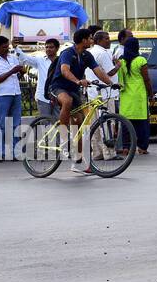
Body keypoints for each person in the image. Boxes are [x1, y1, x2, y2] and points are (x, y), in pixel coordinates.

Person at [49, 27, 116, 173]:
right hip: (58, 87)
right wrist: (78, 81)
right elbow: (65, 71)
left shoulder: (86, 55)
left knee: (79, 126)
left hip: (74, 90)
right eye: (90, 38)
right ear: (84, 40)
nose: (92, 40)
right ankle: (63, 138)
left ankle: (77, 162)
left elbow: (98, 71)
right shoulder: (68, 53)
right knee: (66, 102)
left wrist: (112, 84)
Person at [0, 36, 28, 161]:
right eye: (4, 47)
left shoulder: (12, 58)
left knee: (16, 124)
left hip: (15, 93)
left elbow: (17, 75)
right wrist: (12, 71)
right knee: (1, 124)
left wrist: (21, 71)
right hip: (2, 95)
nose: (7, 49)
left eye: (7, 46)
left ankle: (16, 152)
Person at [115, 36, 153, 155]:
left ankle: (126, 147)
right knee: (142, 123)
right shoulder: (141, 60)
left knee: (126, 122)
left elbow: (119, 79)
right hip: (139, 95)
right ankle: (142, 147)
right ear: (137, 47)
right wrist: (151, 94)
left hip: (126, 95)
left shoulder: (121, 61)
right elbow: (146, 80)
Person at [86, 30, 120, 161]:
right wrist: (118, 65)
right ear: (99, 40)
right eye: (106, 39)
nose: (109, 41)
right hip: (105, 93)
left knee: (95, 124)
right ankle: (109, 153)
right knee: (108, 123)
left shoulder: (90, 52)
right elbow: (110, 72)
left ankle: (97, 153)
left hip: (92, 93)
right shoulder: (102, 53)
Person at [15, 37, 60, 120]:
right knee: (44, 123)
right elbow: (25, 58)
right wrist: (16, 47)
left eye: (51, 47)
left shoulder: (62, 61)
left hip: (59, 97)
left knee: (60, 123)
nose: (48, 49)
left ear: (57, 48)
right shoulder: (40, 60)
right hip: (43, 97)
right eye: (46, 47)